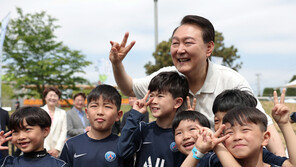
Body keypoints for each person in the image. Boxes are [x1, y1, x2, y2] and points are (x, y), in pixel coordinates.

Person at [109, 15, 285, 156]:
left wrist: (281, 159)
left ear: (209, 48)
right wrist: (117, 64)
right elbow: (129, 88)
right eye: (175, 43)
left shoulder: (232, 82)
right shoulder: (167, 78)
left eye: (188, 42)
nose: (180, 49)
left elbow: (262, 126)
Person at [181, 89, 294, 167]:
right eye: (216, 121)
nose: (221, 127)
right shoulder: (212, 159)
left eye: (243, 128)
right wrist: (198, 149)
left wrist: (284, 124)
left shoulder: (261, 154)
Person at [118, 71, 188, 166]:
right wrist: (134, 115)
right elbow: (123, 151)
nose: (153, 101)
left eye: (160, 96)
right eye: (151, 96)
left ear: (177, 102)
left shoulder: (184, 135)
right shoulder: (143, 130)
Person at [60, 84, 133, 167]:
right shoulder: (71, 145)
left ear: (118, 115)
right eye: (94, 106)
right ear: (87, 113)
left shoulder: (123, 146)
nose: (100, 112)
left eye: (107, 106)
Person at [0, 107, 69, 167]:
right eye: (15, 131)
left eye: (27, 129)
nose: (21, 137)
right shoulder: (7, 163)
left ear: (45, 131)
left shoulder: (59, 165)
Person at [41, 87, 67, 157]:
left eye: (55, 96)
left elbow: (63, 131)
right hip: (42, 148)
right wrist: (47, 149)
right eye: (50, 95)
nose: (53, 98)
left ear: (58, 98)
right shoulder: (39, 112)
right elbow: (39, 131)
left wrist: (57, 149)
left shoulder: (63, 113)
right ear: (45, 97)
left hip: (58, 152)